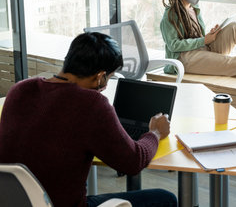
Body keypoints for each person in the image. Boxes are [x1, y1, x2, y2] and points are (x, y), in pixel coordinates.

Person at [0, 32, 177, 207]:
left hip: (13, 202)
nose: (106, 86)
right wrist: (154, 132)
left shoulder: (20, 89)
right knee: (166, 199)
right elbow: (134, 162)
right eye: (109, 77)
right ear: (100, 77)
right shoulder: (92, 104)